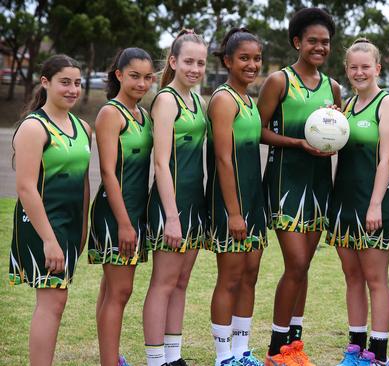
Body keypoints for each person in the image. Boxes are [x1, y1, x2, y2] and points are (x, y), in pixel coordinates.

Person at [257, 7, 341, 365]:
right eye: (312, 41)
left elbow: (337, 134)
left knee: (304, 267)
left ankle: (295, 344)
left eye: (325, 42)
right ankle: (276, 348)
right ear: (297, 42)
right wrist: (297, 143)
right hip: (284, 184)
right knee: (296, 263)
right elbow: (257, 130)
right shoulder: (279, 81)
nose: (319, 47)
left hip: (319, 187)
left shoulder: (333, 88)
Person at [9, 54, 91, 365]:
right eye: (65, 82)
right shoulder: (34, 127)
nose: (72, 89)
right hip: (42, 226)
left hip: (69, 226)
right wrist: (49, 239)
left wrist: (81, 229)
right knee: (52, 302)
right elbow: (26, 188)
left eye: (77, 83)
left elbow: (82, 183)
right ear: (45, 83)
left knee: (57, 300)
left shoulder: (83, 127)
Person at [329, 38, 389, 366]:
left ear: (378, 68)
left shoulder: (386, 103)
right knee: (352, 276)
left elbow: (386, 160)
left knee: (376, 279)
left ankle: (379, 354)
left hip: (374, 204)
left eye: (365, 67)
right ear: (346, 70)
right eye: (353, 67)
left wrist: (375, 205)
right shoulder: (346, 105)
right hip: (343, 202)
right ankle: (355, 349)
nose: (359, 72)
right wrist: (328, 122)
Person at [143, 29, 208, 366]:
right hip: (172, 206)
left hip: (194, 204)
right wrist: (171, 215)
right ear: (173, 62)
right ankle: (156, 360)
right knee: (164, 283)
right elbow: (161, 162)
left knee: (181, 282)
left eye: (200, 62)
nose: (195, 68)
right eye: (188, 62)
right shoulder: (166, 99)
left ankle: (174, 357)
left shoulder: (196, 99)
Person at [88, 47, 155, 366]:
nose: (142, 84)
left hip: (134, 212)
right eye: (134, 77)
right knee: (121, 290)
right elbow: (107, 173)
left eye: (147, 77)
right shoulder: (110, 113)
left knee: (111, 289)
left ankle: (110, 357)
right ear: (118, 75)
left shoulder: (143, 113)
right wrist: (125, 224)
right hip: (116, 215)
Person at [206, 28, 266, 366]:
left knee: (250, 275)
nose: (252, 64)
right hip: (231, 205)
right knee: (229, 278)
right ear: (228, 61)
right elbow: (224, 159)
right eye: (244, 58)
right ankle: (223, 355)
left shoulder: (248, 100)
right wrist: (233, 212)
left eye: (257, 58)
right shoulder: (224, 99)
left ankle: (242, 351)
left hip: (253, 202)